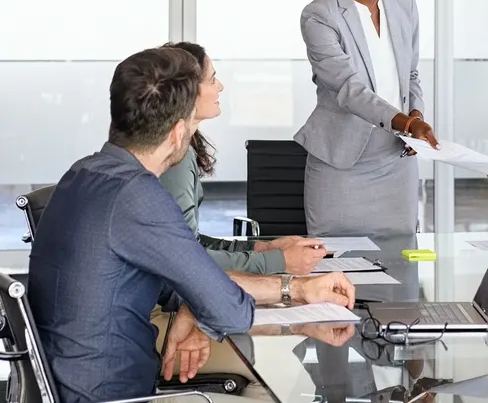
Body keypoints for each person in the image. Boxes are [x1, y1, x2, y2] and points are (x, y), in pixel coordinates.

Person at [29, 47, 356, 403]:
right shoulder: (138, 195)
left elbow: (195, 280)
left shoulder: (83, 173)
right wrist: (292, 288)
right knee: (280, 386)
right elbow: (227, 309)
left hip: (74, 381)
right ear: (177, 132)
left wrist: (300, 290)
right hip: (116, 396)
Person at [296, 0, 438, 237]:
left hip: (396, 162)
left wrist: (415, 112)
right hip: (342, 167)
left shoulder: (403, 0)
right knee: (338, 275)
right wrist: (406, 122)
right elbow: (348, 89)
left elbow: (410, 74)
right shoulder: (320, 15)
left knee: (402, 274)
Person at [159, 41, 327, 275]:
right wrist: (278, 262)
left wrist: (263, 248)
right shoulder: (175, 159)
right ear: (188, 90)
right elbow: (186, 259)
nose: (221, 86)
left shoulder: (181, 149)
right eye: (212, 79)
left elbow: (189, 243)